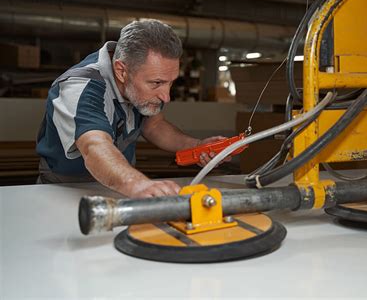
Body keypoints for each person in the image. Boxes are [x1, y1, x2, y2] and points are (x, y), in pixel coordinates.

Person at [36, 19, 229, 198]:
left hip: (121, 186)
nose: (166, 97)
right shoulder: (80, 87)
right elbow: (95, 146)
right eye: (157, 83)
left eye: (170, 83)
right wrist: (138, 185)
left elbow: (154, 126)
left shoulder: (140, 80)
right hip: (65, 190)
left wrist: (196, 146)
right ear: (122, 71)